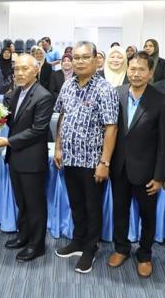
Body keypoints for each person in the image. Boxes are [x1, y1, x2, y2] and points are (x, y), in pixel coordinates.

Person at [53, 41, 119, 274]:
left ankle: (90, 248)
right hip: (70, 158)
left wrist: (105, 162)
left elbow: (111, 127)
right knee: (76, 203)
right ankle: (78, 241)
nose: (79, 62)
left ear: (95, 59)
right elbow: (62, 117)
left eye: (85, 57)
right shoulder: (67, 85)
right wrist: (58, 147)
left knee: (92, 207)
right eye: (76, 58)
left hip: (93, 162)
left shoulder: (105, 89)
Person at [108, 51, 165, 278]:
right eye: (133, 68)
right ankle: (121, 248)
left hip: (147, 172)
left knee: (147, 215)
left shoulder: (161, 101)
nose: (136, 73)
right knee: (120, 211)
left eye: (141, 69)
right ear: (127, 70)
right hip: (119, 167)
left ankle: (144, 255)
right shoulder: (117, 93)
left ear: (150, 72)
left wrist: (159, 176)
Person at [0, 55, 54, 262]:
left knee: (35, 204)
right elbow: (14, 121)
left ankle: (37, 245)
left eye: (24, 69)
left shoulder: (43, 96)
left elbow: (38, 130)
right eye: (16, 69)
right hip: (16, 157)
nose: (19, 73)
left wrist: (7, 141)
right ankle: (24, 235)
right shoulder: (17, 92)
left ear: (36, 70)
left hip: (32, 159)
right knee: (22, 201)